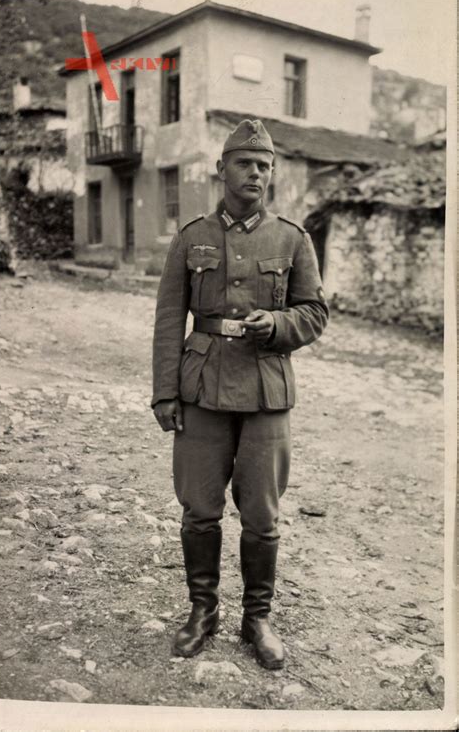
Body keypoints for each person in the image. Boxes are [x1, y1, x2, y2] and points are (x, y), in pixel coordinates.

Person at [151, 119, 328, 670]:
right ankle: (202, 613)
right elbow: (166, 321)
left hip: (266, 392)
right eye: (246, 163)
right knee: (199, 511)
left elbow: (315, 313)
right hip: (201, 389)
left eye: (265, 166)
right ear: (221, 169)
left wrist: (275, 324)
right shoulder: (191, 237)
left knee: (262, 515)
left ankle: (258, 619)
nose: (256, 173)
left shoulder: (293, 239)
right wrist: (164, 394)